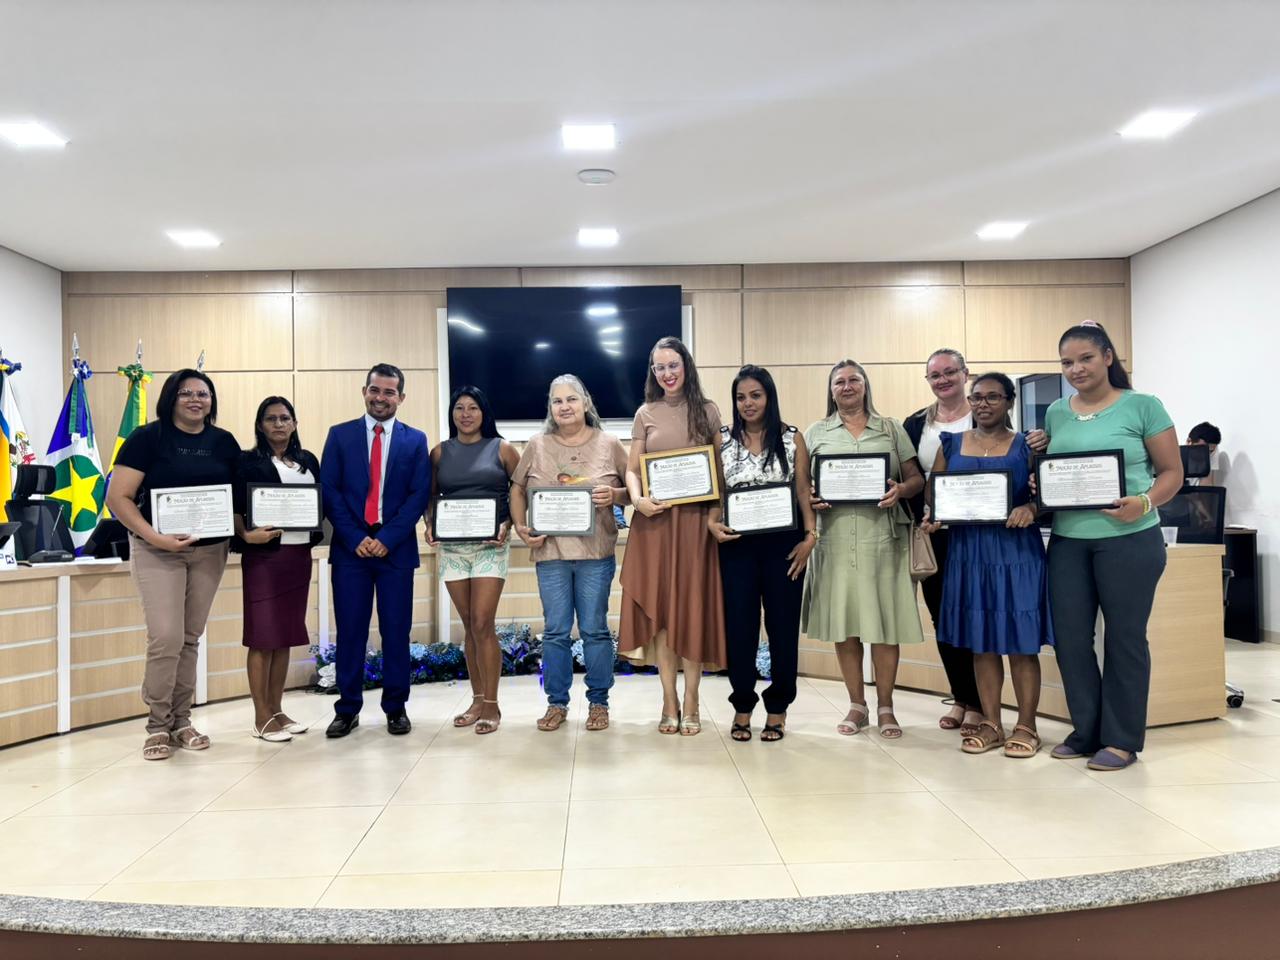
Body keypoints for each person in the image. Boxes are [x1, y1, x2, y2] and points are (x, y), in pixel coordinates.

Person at [1043, 322, 1182, 771]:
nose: (1076, 369)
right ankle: (1086, 730)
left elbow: (1172, 473)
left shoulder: (1143, 405)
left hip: (1130, 541)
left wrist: (1144, 502)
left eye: (1085, 358)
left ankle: (1121, 739)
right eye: (1067, 362)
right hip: (1068, 542)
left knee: (1124, 639)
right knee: (1070, 641)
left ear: (1107, 357)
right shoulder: (1056, 413)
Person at [105, 369, 240, 761]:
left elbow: (235, 497)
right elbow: (118, 497)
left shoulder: (224, 442)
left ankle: (182, 720)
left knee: (189, 637)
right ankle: (157, 724)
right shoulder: (147, 438)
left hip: (209, 551)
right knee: (165, 636)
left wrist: (247, 531)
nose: (196, 400)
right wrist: (155, 537)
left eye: (203, 393)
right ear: (170, 398)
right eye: (186, 393)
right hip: (157, 549)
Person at [921, 373, 1054, 757]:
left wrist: (1031, 508)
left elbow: (1048, 494)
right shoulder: (951, 443)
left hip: (1016, 553)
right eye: (977, 397)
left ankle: (1027, 726)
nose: (983, 404)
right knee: (982, 644)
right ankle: (992, 723)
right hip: (969, 553)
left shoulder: (1027, 445)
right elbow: (934, 491)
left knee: (1021, 645)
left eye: (993, 397)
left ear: (1009, 401)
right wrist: (935, 513)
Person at [802, 359, 925, 739]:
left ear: (865, 385)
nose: (847, 386)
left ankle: (886, 706)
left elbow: (916, 479)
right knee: (845, 626)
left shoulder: (890, 428)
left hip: (883, 541)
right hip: (836, 541)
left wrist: (899, 490)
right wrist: (811, 496)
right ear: (831, 390)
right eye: (839, 381)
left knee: (885, 625)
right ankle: (857, 705)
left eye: (854, 379)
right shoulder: (815, 432)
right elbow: (801, 485)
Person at [620, 336, 727, 735]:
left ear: (686, 367)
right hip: (655, 524)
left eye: (673, 365)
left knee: (692, 611)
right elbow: (632, 469)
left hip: (696, 527)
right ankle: (669, 699)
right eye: (659, 367)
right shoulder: (645, 413)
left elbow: (721, 470)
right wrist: (637, 500)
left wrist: (714, 515)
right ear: (653, 372)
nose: (667, 373)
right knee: (663, 614)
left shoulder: (708, 410)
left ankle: (693, 699)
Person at [510, 374, 629, 733]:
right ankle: (556, 703)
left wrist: (615, 495)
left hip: (596, 555)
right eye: (557, 401)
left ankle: (599, 703)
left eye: (571, 399)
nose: (564, 407)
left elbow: (634, 490)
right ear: (550, 407)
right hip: (551, 555)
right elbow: (517, 490)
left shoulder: (610, 444)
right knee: (555, 632)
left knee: (595, 630)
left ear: (586, 403)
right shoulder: (537, 445)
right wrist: (521, 526)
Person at [320, 363, 431, 738]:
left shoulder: (415, 440)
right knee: (350, 632)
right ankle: (347, 709)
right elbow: (330, 492)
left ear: (401, 397)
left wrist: (388, 538)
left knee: (396, 632)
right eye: (375, 390)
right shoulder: (339, 435)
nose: (380, 398)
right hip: (350, 551)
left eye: (389, 392)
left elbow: (419, 495)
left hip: (395, 552)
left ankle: (396, 708)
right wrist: (355, 537)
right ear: (364, 391)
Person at [707, 365, 817, 742]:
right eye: (741, 397)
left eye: (755, 395)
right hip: (736, 545)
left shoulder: (791, 437)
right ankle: (742, 704)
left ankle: (778, 708)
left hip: (785, 546)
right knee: (740, 628)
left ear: (769, 397)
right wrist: (711, 523)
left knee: (782, 628)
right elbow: (717, 493)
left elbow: (802, 490)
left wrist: (810, 536)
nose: (748, 403)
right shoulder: (721, 439)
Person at [426, 386, 519, 734]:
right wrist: (430, 524)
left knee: (482, 622)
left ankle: (492, 704)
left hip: (490, 547)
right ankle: (477, 699)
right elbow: (430, 497)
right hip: (453, 548)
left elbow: (521, 492)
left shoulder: (503, 449)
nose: (465, 414)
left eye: (473, 408)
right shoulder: (439, 452)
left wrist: (508, 524)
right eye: (459, 408)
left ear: (484, 413)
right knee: (468, 624)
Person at [233, 396, 323, 743]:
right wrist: (245, 535)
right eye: (271, 418)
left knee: (284, 635)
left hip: (298, 556)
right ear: (260, 425)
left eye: (285, 418)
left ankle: (277, 709)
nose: (279, 424)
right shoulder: (247, 461)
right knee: (262, 636)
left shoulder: (307, 460)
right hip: (265, 558)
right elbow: (235, 505)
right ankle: (261, 717)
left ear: (295, 423)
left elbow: (320, 501)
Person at [903, 348, 983, 736]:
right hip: (933, 532)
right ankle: (961, 697)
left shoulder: (984, 413)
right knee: (943, 617)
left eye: (950, 372)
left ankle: (980, 703)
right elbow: (909, 475)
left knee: (975, 614)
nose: (943, 380)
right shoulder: (916, 423)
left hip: (976, 532)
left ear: (966, 374)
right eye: (935, 375)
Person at [1186, 421, 1222, 486]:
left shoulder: (1213, 451)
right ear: (1189, 442)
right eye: (1201, 450)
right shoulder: (1173, 455)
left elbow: (1207, 484)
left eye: (1210, 451)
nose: (1205, 455)